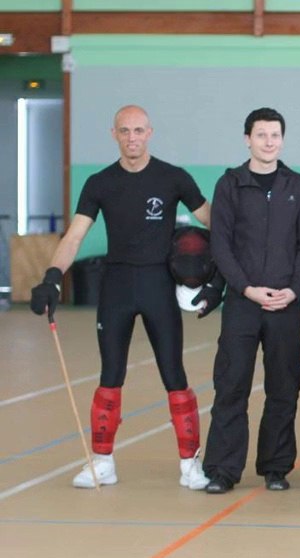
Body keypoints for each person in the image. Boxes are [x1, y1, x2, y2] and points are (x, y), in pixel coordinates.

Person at [28, 105, 212, 489]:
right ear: (113, 133)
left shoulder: (173, 178)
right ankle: (102, 462)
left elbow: (214, 222)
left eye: (139, 130)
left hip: (159, 287)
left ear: (150, 132)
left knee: (173, 374)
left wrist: (221, 275)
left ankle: (189, 464)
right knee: (110, 375)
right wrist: (52, 276)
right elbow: (75, 236)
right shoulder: (100, 183)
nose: (132, 137)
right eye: (125, 131)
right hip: (116, 288)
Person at [203, 107, 300, 494]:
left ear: (282, 140)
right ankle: (222, 469)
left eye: (275, 135)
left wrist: (294, 290)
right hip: (242, 303)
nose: (268, 142)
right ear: (247, 139)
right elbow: (220, 243)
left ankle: (275, 466)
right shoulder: (230, 184)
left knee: (284, 387)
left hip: (286, 305)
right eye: (261, 135)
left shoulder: (298, 186)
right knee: (231, 384)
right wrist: (246, 288)